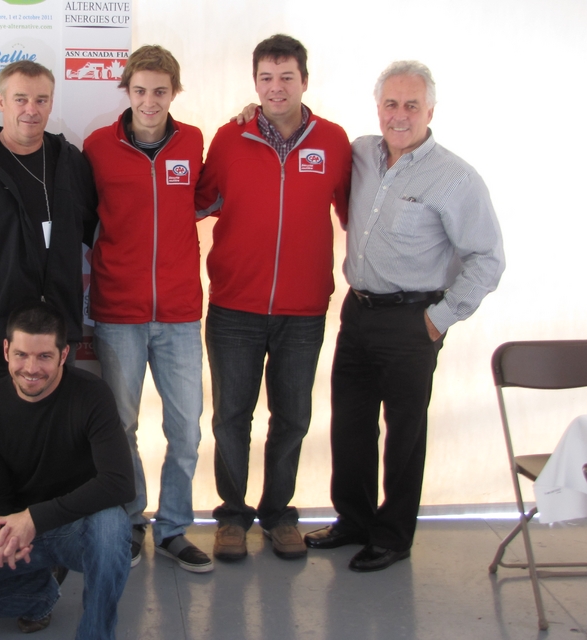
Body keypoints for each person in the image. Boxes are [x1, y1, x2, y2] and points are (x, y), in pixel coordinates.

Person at [304, 61, 504, 572]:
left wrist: (440, 319)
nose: (399, 115)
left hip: (413, 320)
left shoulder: (455, 178)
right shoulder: (360, 153)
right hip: (359, 312)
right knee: (350, 425)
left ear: (430, 111)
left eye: (411, 105)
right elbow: (307, 136)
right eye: (390, 104)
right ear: (378, 108)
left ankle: (393, 537)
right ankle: (354, 521)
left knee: (404, 434)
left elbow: (488, 258)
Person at [195, 35, 352, 561]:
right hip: (234, 307)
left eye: (287, 77)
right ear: (255, 83)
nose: (276, 87)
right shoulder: (230, 138)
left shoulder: (333, 141)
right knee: (231, 418)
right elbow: (198, 203)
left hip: (303, 311)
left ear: (305, 80)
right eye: (266, 78)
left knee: (292, 418)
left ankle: (279, 514)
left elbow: (356, 214)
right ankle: (232, 515)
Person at [0, 302, 135, 639]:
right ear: (6, 350)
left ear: (63, 355)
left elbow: (119, 483)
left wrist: (34, 519)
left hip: (76, 527)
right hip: (19, 530)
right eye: (21, 355)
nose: (31, 369)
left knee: (111, 524)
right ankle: (40, 594)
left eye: (44, 357)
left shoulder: (92, 395)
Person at [83, 45, 211, 573]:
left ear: (174, 92)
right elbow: (83, 216)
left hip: (180, 313)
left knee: (186, 431)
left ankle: (175, 527)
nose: (150, 101)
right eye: (140, 90)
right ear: (127, 91)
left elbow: (207, 198)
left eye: (160, 91)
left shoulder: (194, 142)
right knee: (121, 427)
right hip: (119, 311)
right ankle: (131, 521)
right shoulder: (97, 146)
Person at [0, 60, 98, 402]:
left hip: (56, 338)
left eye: (41, 100)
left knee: (53, 430)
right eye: (20, 99)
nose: (31, 110)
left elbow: (93, 230)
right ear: (1, 102)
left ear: (51, 104)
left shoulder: (69, 160)